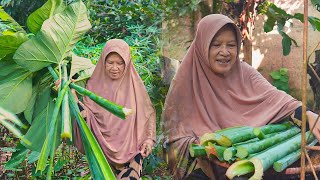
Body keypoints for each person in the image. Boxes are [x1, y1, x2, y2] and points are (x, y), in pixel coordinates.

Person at [162, 14, 320, 180]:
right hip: (207, 163)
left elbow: (279, 100)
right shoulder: (186, 80)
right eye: (216, 45)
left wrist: (308, 114)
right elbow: (174, 137)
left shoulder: (245, 73)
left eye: (231, 45)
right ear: (203, 46)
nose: (225, 52)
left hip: (253, 155)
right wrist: (203, 147)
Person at [72, 39, 156, 179]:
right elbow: (87, 118)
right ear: (103, 62)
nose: (114, 68)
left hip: (132, 153)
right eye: (110, 63)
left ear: (127, 63)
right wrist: (73, 97)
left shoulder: (135, 86)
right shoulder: (93, 85)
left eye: (120, 63)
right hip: (101, 153)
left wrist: (148, 140)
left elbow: (148, 114)